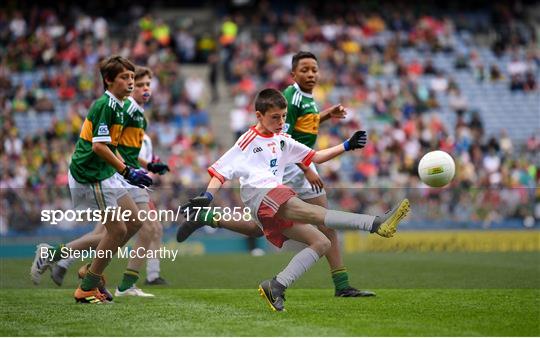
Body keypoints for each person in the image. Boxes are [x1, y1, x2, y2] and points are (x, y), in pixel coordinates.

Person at [180, 89, 410, 311]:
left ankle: (276, 286)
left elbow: (316, 157)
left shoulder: (283, 139)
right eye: (274, 117)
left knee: (322, 243)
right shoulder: (247, 139)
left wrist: (347, 145)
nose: (281, 121)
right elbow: (221, 171)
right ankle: (374, 224)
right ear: (258, 116)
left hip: (271, 197)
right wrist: (208, 196)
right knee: (309, 212)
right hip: (260, 193)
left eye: (282, 116)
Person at [178, 51, 376, 297]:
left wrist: (343, 140)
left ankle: (210, 220)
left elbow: (301, 146)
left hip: (283, 176)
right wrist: (207, 195)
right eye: (305, 69)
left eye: (314, 69)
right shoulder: (286, 102)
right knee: (319, 218)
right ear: (293, 74)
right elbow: (224, 168)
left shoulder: (295, 113)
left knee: (274, 230)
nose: (311, 74)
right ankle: (369, 230)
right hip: (277, 181)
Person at [30, 56, 153, 304]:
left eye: (132, 77)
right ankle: (87, 285)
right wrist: (127, 171)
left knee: (135, 222)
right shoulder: (105, 105)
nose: (130, 82)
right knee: (117, 230)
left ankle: (79, 267)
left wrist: (127, 168)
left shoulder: (118, 106)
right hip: (91, 173)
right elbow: (98, 147)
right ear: (108, 80)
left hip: (105, 172)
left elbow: (112, 146)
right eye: (125, 77)